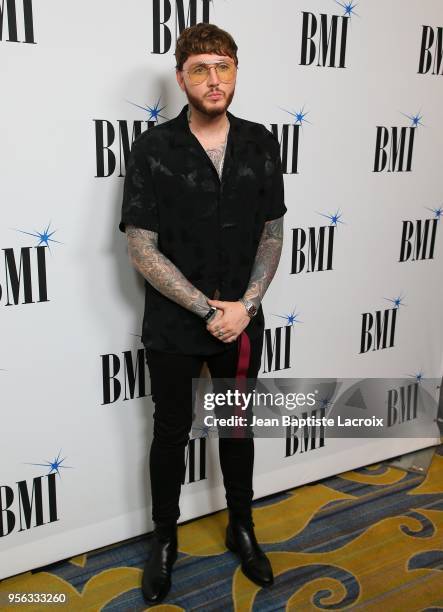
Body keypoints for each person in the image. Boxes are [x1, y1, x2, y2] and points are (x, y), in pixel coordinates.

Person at [119, 22, 287, 604]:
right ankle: (165, 540)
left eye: (223, 67)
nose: (214, 80)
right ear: (182, 78)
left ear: (236, 71)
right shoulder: (152, 149)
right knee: (169, 433)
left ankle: (242, 526)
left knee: (237, 430)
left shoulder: (263, 142)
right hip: (173, 325)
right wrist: (203, 307)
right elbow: (141, 246)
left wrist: (245, 307)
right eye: (200, 70)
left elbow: (272, 233)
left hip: (242, 322)